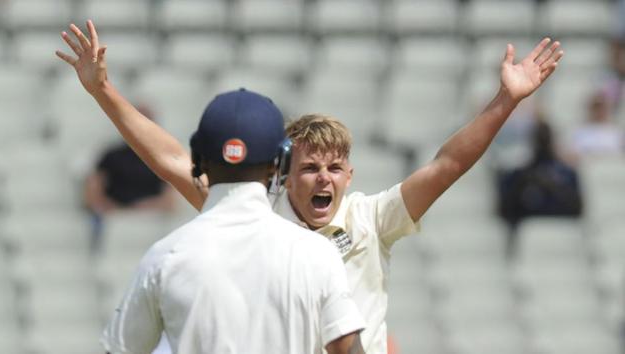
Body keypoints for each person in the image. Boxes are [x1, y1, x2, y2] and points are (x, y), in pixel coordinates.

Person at [56, 19, 564, 353]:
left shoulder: (370, 217)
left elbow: (447, 164)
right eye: (310, 168)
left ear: (349, 176)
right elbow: (172, 161)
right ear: (282, 172)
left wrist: (506, 101)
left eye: (334, 168)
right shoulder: (258, 210)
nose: (324, 178)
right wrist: (104, 92)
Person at [58, 22, 366, 354]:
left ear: (201, 160)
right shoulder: (316, 253)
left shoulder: (167, 256)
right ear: (280, 164)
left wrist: (101, 89)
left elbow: (171, 158)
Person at [84, 104, 175, 250]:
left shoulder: (163, 159)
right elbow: (93, 191)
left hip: (150, 219)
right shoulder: (110, 155)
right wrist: (112, 209)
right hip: (112, 218)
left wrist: (142, 210)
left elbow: (169, 200)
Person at [497, 118, 583, 257]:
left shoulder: (567, 173)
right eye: (539, 138)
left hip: (562, 233)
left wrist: (550, 185)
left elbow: (577, 208)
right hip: (527, 231)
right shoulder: (521, 175)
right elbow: (505, 209)